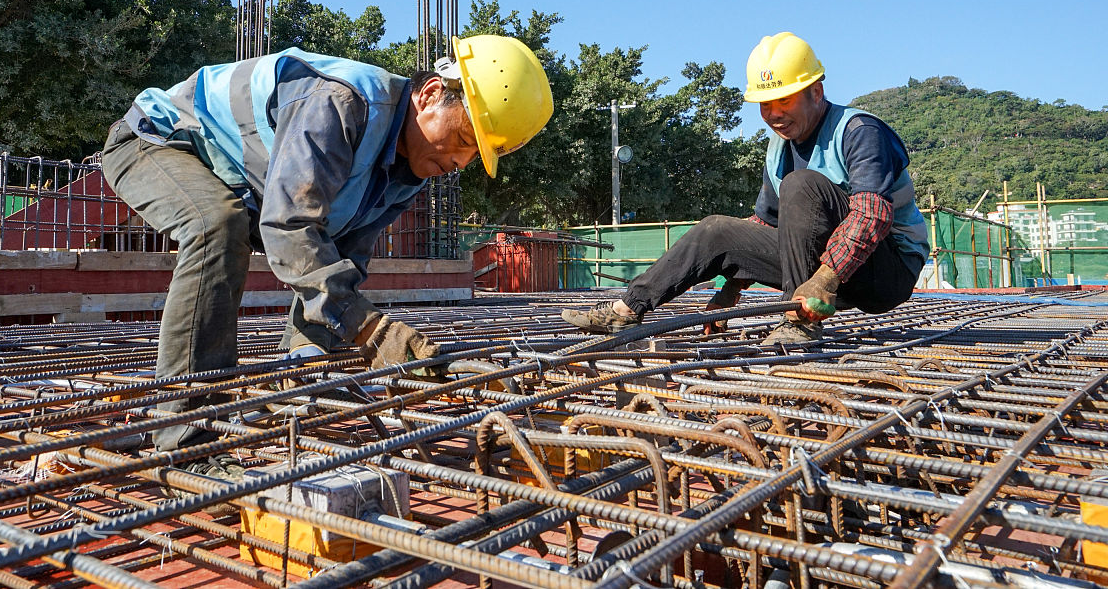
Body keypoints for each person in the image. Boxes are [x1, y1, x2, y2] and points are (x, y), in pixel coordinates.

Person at [101, 35, 553, 483]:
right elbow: (289, 225)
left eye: (475, 155)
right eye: (461, 139)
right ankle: (186, 435)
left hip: (238, 180)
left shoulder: (408, 172)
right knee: (217, 225)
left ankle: (289, 385)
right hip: (156, 142)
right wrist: (373, 331)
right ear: (431, 94)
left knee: (285, 260)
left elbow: (344, 258)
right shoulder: (342, 103)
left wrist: (310, 355)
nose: (460, 160)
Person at [561, 32, 928, 345]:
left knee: (802, 187)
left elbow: (872, 215)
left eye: (784, 100)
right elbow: (764, 227)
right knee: (717, 229)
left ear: (816, 92)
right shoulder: (779, 149)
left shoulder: (859, 132)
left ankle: (799, 325)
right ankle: (626, 310)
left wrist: (824, 279)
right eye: (765, 105)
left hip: (885, 272)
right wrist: (729, 292)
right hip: (818, 271)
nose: (774, 114)